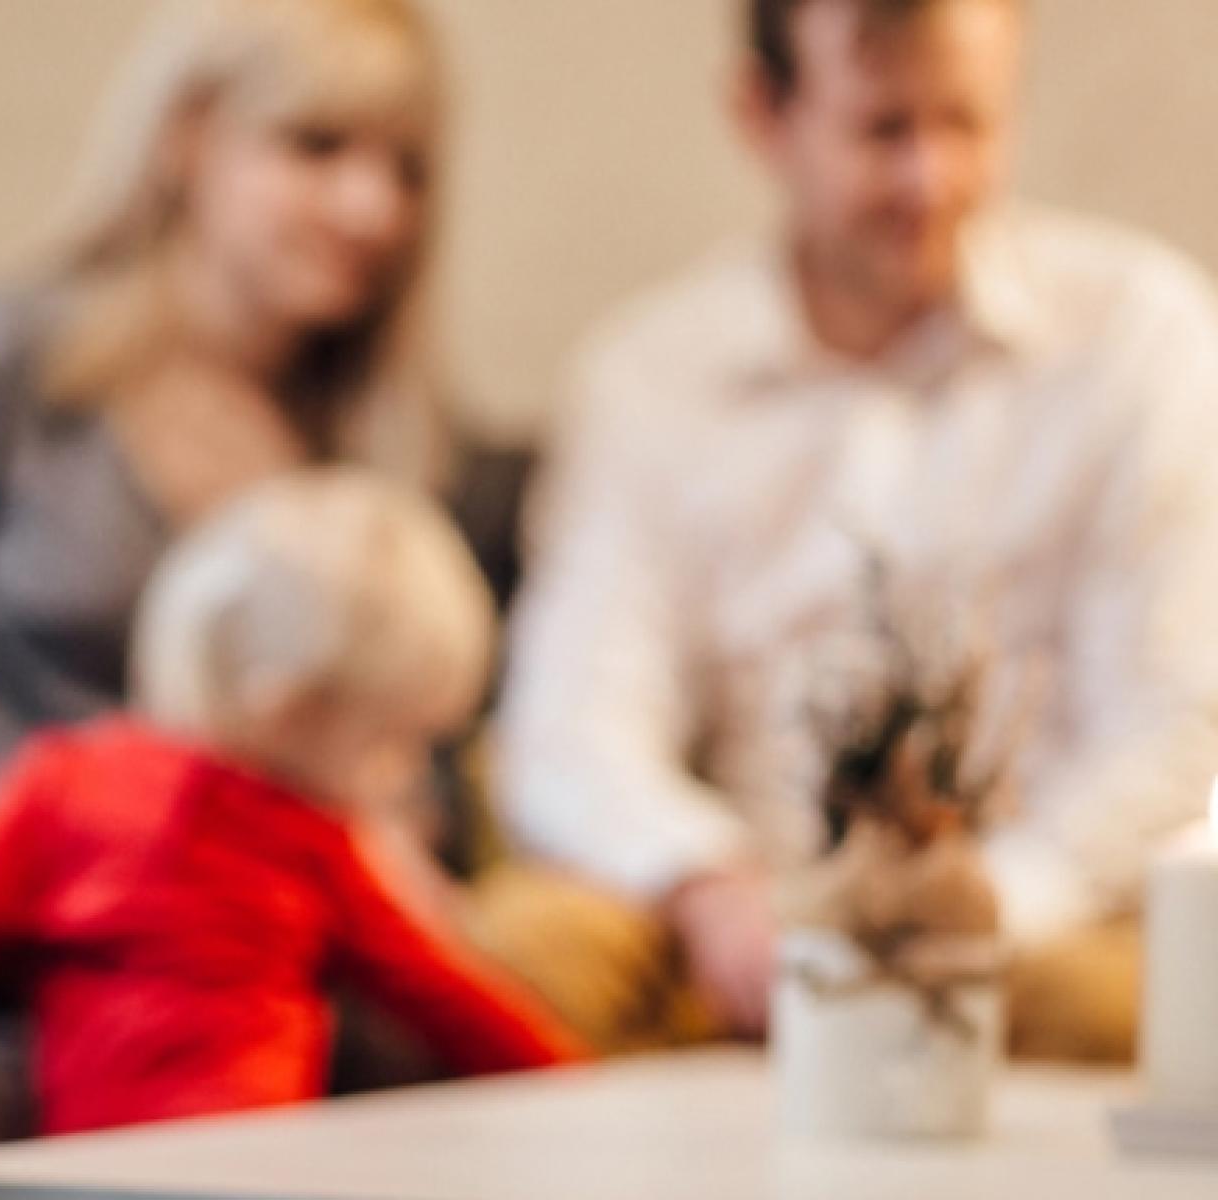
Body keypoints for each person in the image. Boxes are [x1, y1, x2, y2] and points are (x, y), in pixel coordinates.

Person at [493, 0, 1218, 1060]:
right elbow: (569, 725)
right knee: (518, 953)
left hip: (1038, 933)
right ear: (764, 113)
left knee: (1156, 1006)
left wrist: (990, 905)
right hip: (739, 928)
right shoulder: (648, 377)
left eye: (967, 125)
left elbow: (1176, 719)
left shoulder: (1135, 333)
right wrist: (704, 882)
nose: (932, 182)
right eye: (884, 130)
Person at [0, 0, 457, 1019]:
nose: (371, 207)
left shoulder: (367, 450)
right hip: (6, 931)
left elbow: (396, 760)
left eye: (405, 168)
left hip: (243, 946)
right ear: (189, 137)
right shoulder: (12, 364)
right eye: (316, 147)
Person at [0, 472, 586, 1133]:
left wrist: (42, 963)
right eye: (396, 743)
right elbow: (445, 995)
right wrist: (583, 1088)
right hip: (248, 1159)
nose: (407, 778)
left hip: (86, 1165)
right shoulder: (315, 840)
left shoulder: (65, 773)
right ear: (293, 713)